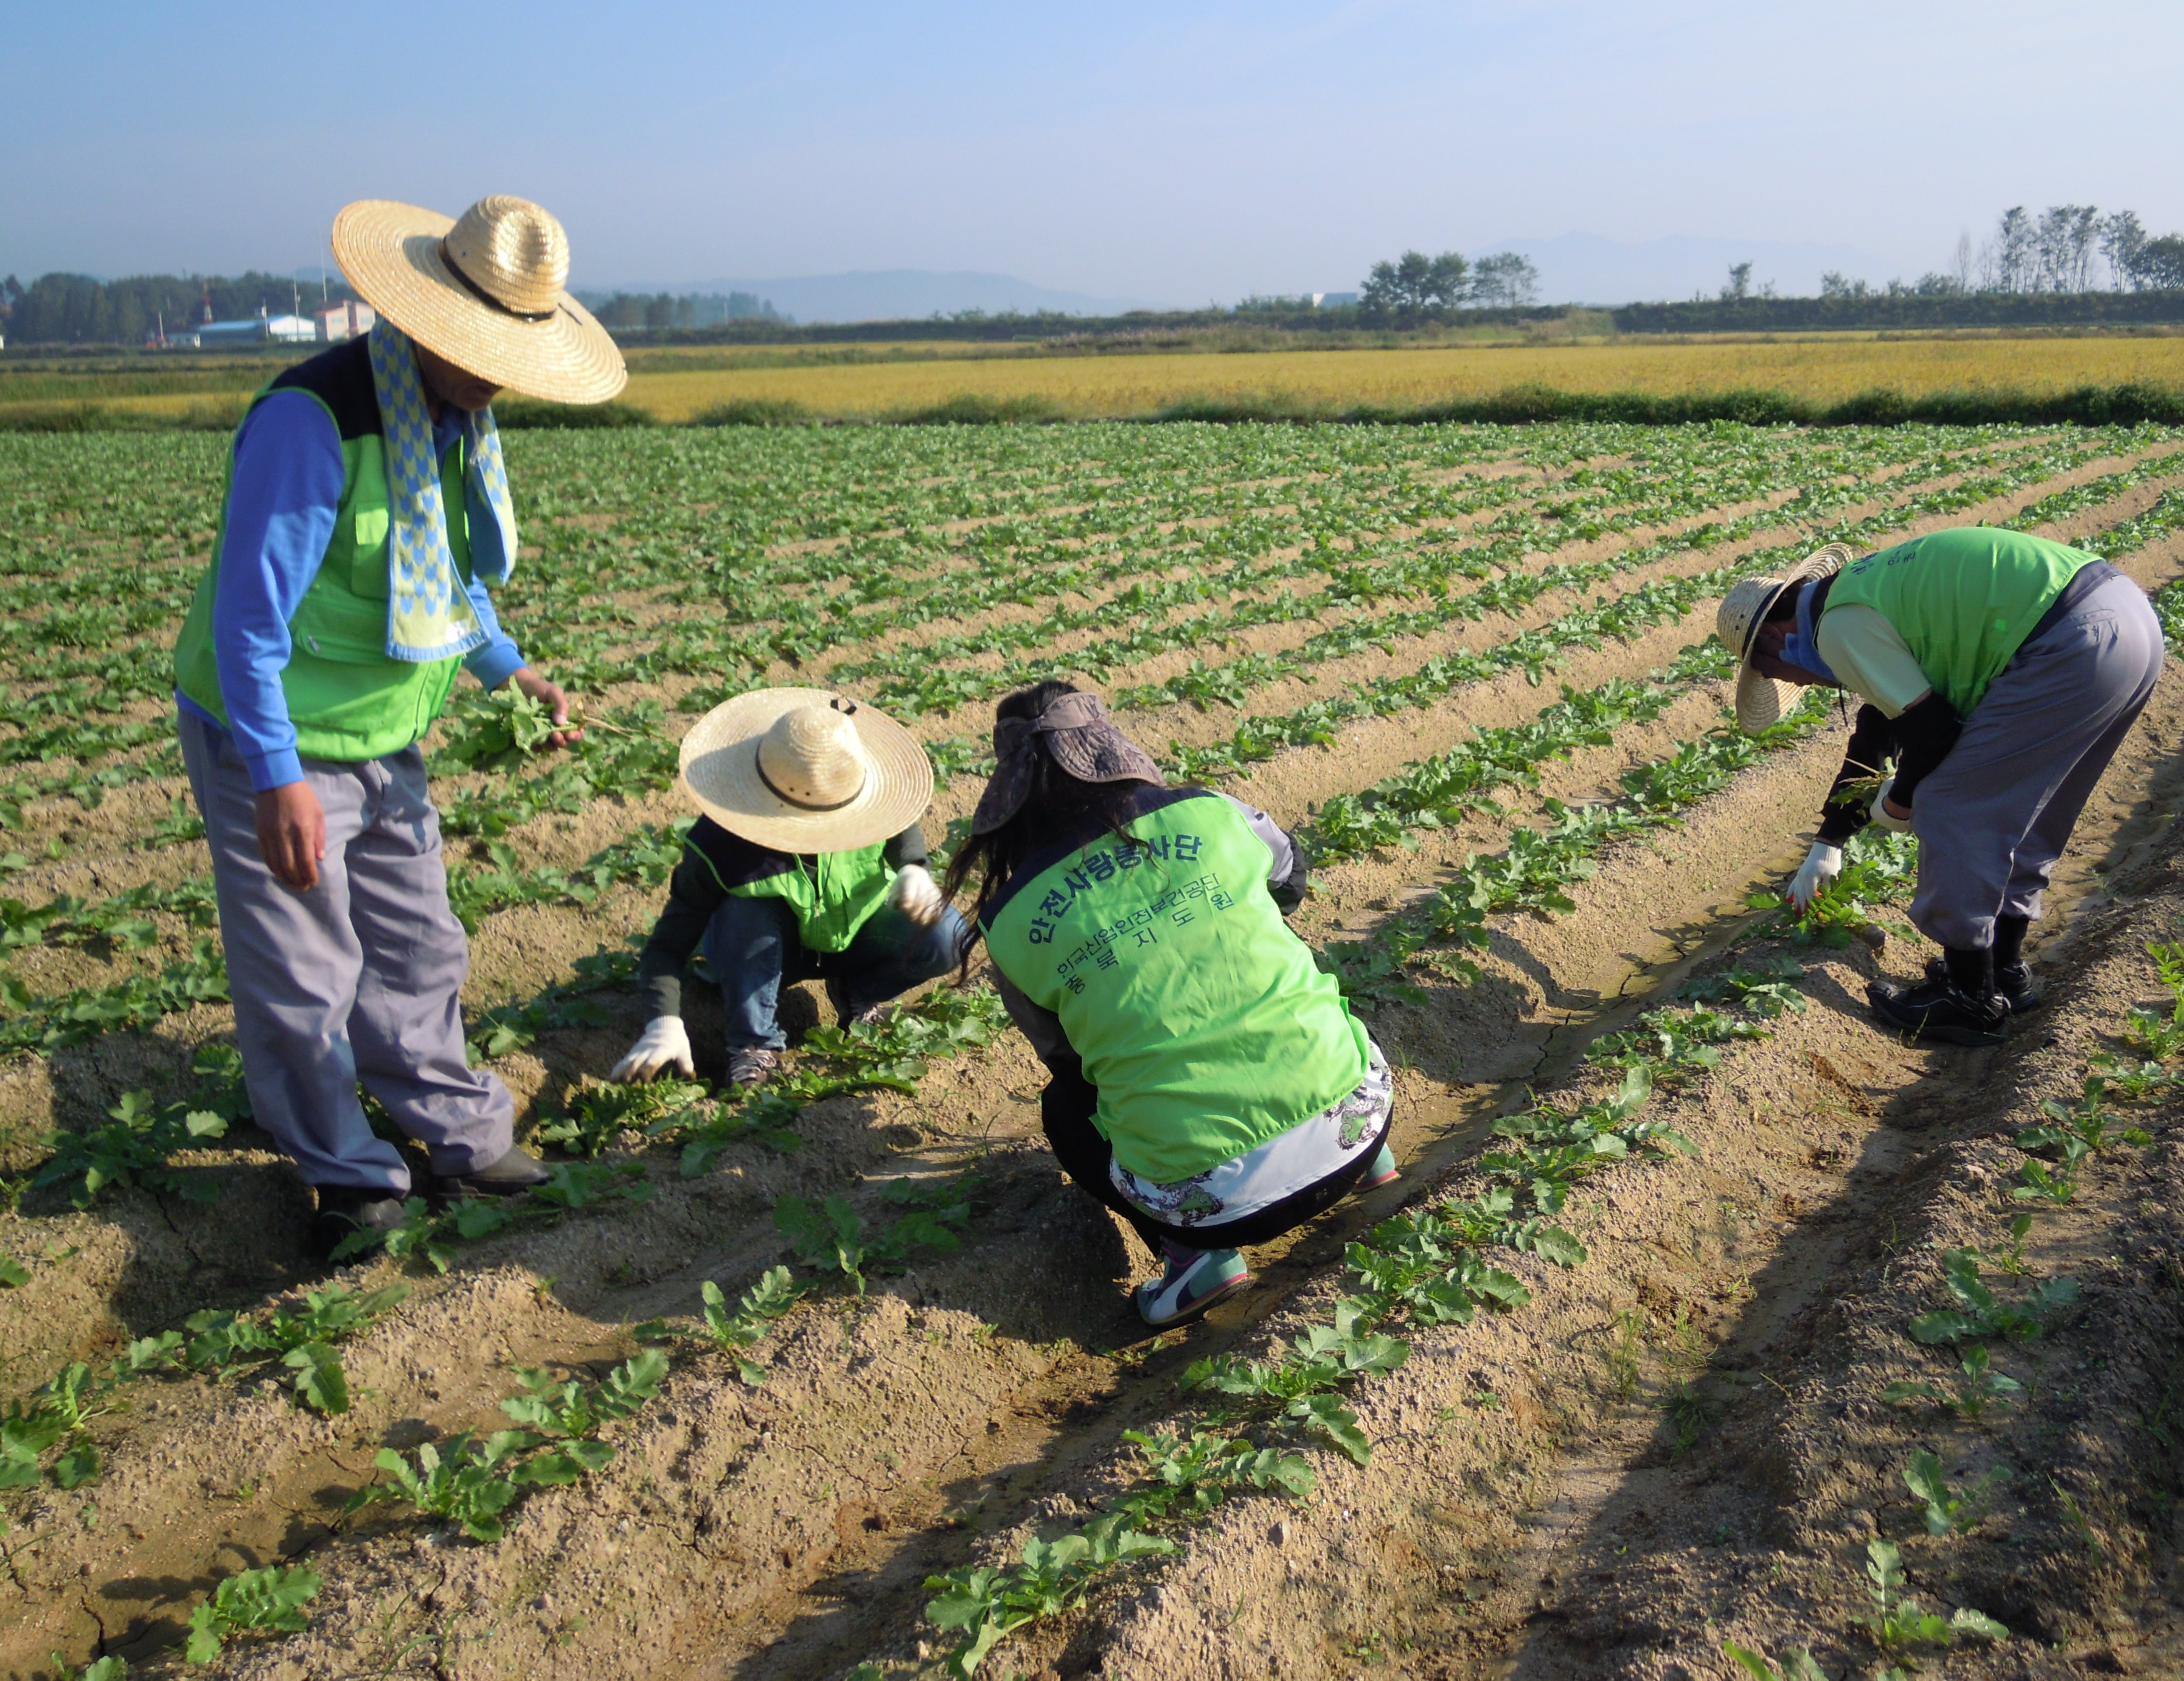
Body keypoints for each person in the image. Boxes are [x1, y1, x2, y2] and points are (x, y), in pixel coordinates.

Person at [174, 194, 627, 1259]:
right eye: (481, 350)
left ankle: (460, 1134)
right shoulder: (312, 421)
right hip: (271, 732)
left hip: (385, 736)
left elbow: (446, 580)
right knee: (305, 973)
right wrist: (275, 771)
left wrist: (511, 671)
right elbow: (250, 621)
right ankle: (346, 1174)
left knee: (420, 946)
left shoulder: (453, 421)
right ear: (420, 318)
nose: (495, 375)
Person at [943, 681, 1398, 1326]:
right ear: (1105, 744)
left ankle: (1194, 1258)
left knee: (1067, 1108)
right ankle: (1363, 1150)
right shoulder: (1208, 811)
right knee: (1278, 950)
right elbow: (1290, 878)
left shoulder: (1009, 918)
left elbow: (1068, 1062)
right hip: (1363, 1117)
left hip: (1215, 1206)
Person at [1716, 527, 2165, 1046]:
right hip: (2128, 622)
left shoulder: (1838, 628)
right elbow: (1880, 726)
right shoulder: (1859, 594)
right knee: (2033, 808)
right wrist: (1829, 841)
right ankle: (2003, 968)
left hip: (2069, 639)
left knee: (1951, 805)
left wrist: (1902, 801)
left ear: (1775, 638)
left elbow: (1933, 734)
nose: (1794, 683)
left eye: (1774, 672)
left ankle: (1969, 998)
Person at [611, 688, 972, 1088]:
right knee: (747, 910)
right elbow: (668, 945)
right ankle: (753, 1044)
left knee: (948, 933)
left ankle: (859, 994)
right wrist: (664, 1023)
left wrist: (915, 870)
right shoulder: (720, 844)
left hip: (852, 934)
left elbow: (906, 839)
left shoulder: (871, 797)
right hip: (757, 955)